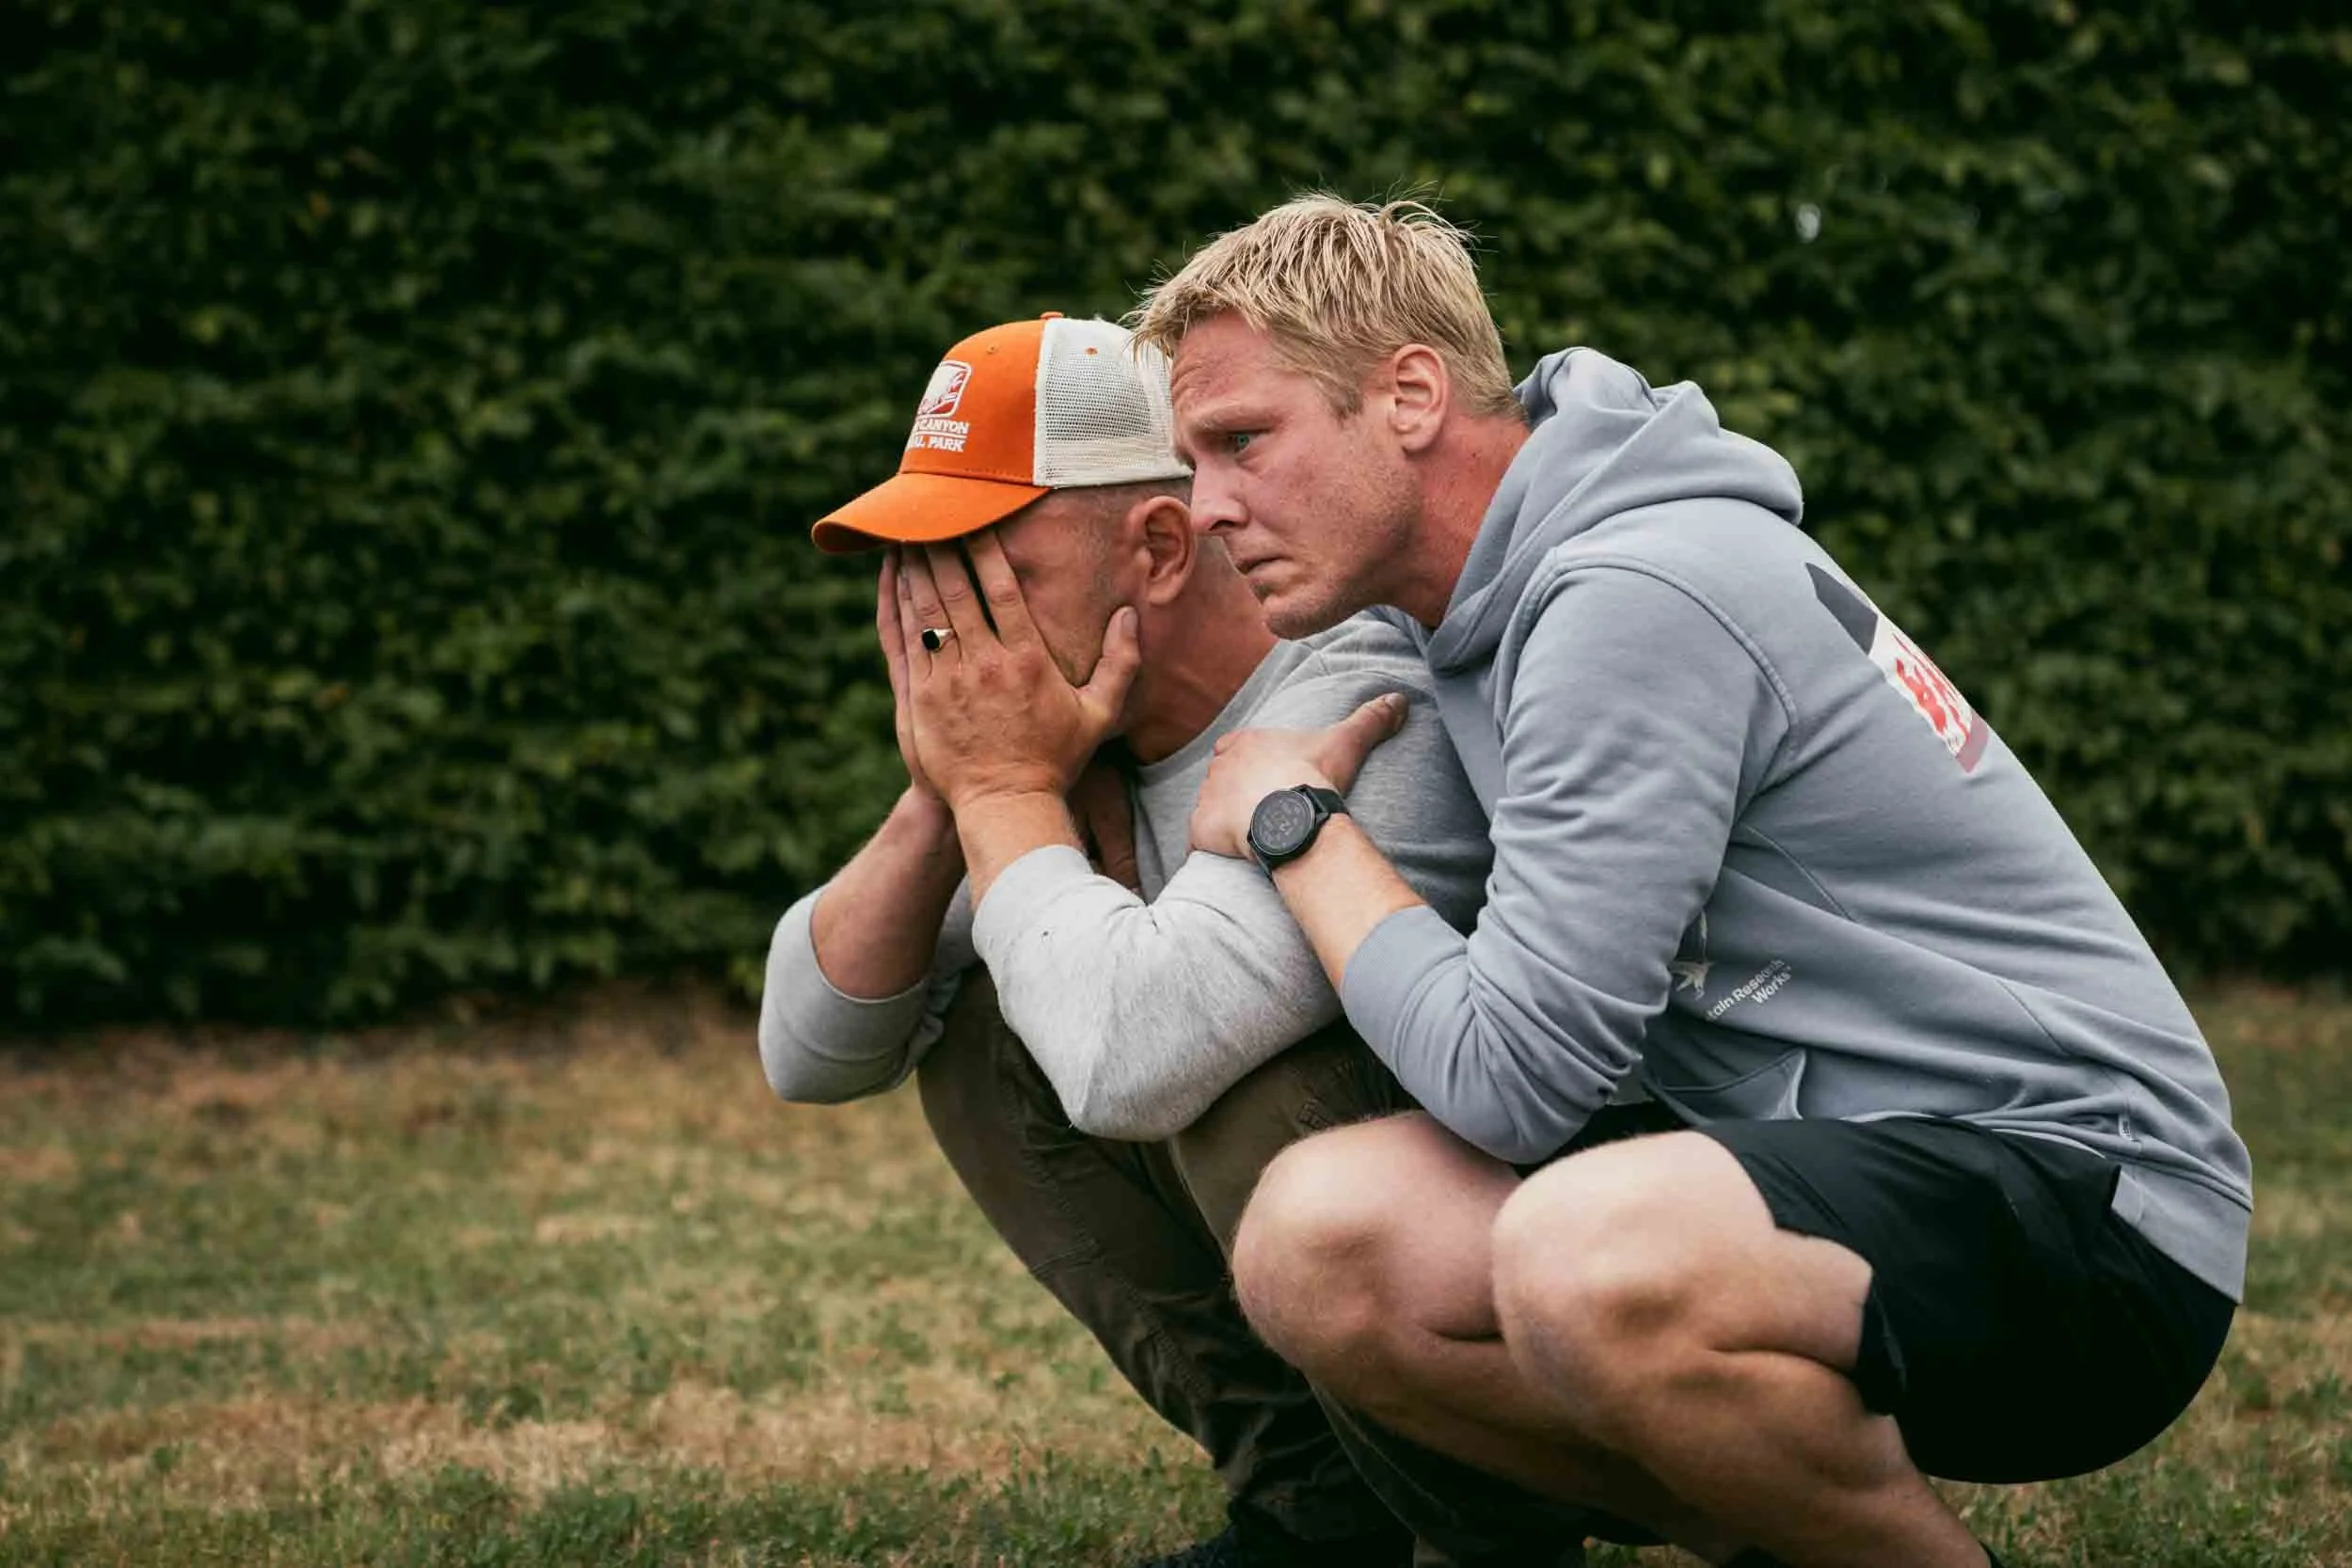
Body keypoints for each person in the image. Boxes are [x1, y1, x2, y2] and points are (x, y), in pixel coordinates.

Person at [1093, 196, 2254, 1568]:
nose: (1208, 503)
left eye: (1241, 441)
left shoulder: (1630, 592)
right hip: (1834, 1171)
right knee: (1318, 1239)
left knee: (1585, 1252)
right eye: (1193, 458)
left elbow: (1517, 1078)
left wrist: (1300, 827)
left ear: (1409, 394)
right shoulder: (1478, 600)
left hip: (2092, 1213)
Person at [757, 312, 1515, 1567]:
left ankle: (1481, 1533)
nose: (934, 616)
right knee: (985, 1021)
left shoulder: (1358, 696)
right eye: (914, 567)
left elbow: (1140, 1054)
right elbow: (809, 1049)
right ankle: (1318, 1519)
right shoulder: (1058, 736)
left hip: (1558, 1249)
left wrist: (1002, 792)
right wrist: (944, 796)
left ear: (1159, 546)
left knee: (1235, 1081)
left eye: (976, 560)